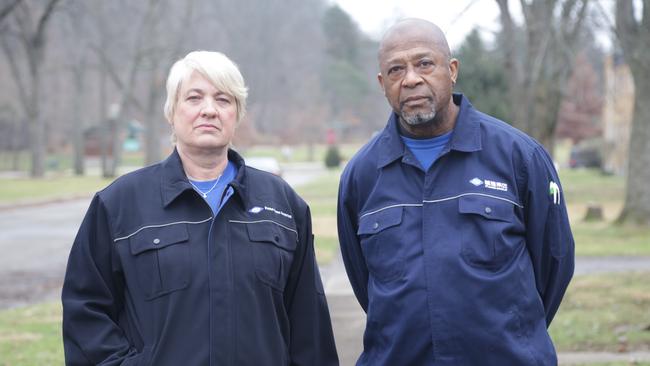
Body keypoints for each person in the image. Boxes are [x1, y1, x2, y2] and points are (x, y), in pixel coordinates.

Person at [62, 51, 338, 366]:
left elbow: (309, 325)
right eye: (194, 98)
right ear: (171, 111)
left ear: (237, 114)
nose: (209, 110)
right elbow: (86, 311)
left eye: (223, 100)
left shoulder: (284, 205)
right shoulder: (119, 204)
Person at [337, 19, 574, 365]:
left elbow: (554, 265)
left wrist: (510, 336)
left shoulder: (518, 157)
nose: (411, 79)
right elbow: (364, 281)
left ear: (452, 70)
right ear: (382, 83)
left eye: (424, 63)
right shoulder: (362, 175)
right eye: (395, 70)